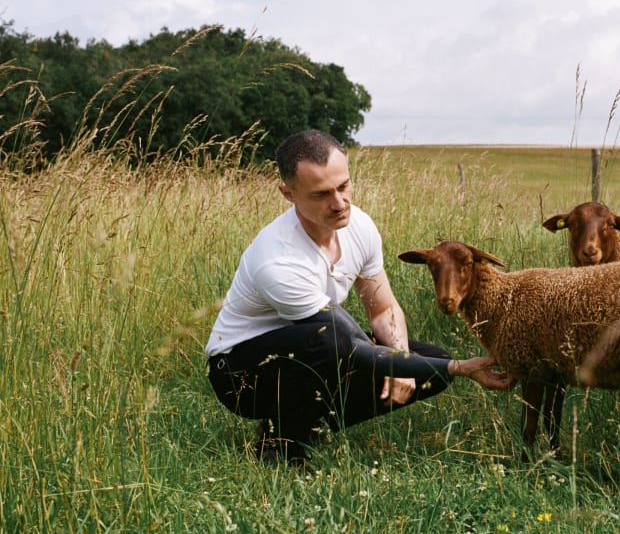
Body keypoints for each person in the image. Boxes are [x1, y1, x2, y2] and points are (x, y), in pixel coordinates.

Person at [205, 129, 513, 466]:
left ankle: (306, 427)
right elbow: (347, 344)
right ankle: (282, 447)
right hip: (241, 374)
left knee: (429, 365)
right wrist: (460, 368)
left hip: (314, 348)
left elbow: (382, 309)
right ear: (288, 193)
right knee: (331, 341)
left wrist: (404, 365)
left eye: (343, 186)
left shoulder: (360, 226)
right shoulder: (277, 260)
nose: (339, 203)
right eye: (321, 194)